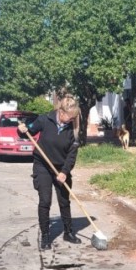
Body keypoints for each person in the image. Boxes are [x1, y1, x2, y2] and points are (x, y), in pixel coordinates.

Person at [17, 96, 82, 250]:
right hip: (43, 166)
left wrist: (65, 172)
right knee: (45, 200)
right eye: (69, 116)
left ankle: (68, 232)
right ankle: (45, 236)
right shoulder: (44, 120)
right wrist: (22, 129)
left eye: (74, 117)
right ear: (61, 111)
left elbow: (72, 155)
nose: (71, 120)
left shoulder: (73, 128)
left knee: (64, 201)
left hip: (60, 168)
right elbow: (28, 131)